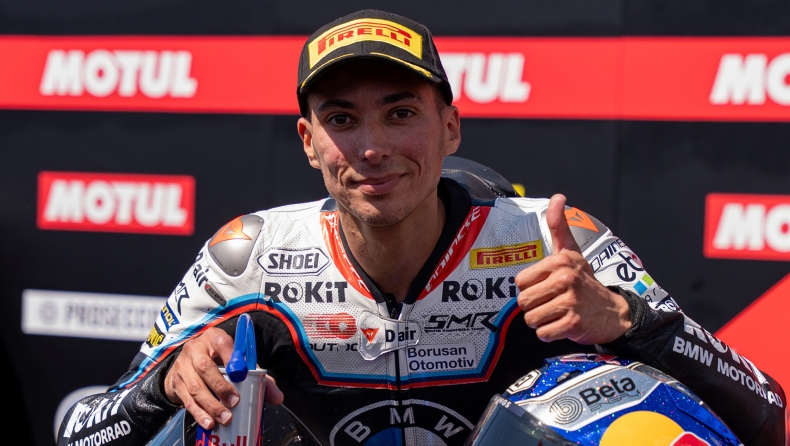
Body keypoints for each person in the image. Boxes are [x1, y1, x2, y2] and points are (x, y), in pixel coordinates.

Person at [57, 10, 786, 446]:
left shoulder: (554, 238)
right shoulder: (245, 258)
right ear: (308, 142)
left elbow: (765, 414)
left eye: (401, 113)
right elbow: (81, 429)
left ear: (451, 128)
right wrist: (164, 385)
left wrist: (628, 321)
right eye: (342, 119)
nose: (372, 148)